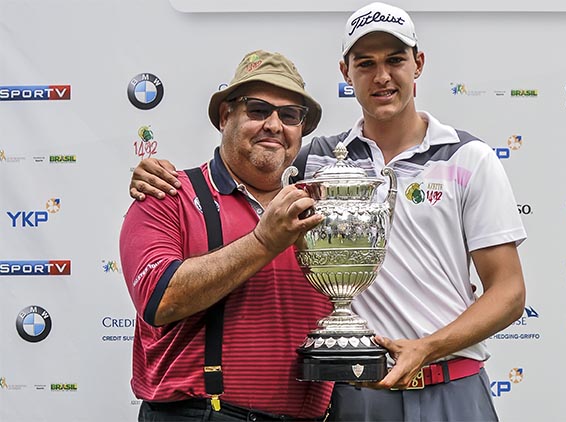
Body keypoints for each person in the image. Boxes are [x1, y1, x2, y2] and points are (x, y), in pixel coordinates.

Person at [128, 3, 527, 421]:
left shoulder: (469, 157)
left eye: (395, 60)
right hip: (355, 388)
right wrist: (155, 175)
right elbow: (245, 161)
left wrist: (427, 347)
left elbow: (509, 292)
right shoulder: (313, 163)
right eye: (365, 63)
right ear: (345, 72)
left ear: (418, 63)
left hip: (452, 381)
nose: (382, 76)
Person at [120, 49, 334, 422]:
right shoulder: (168, 194)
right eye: (257, 110)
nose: (273, 124)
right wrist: (263, 241)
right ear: (225, 116)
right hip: (201, 413)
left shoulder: (322, 210)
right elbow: (159, 299)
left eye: (289, 115)